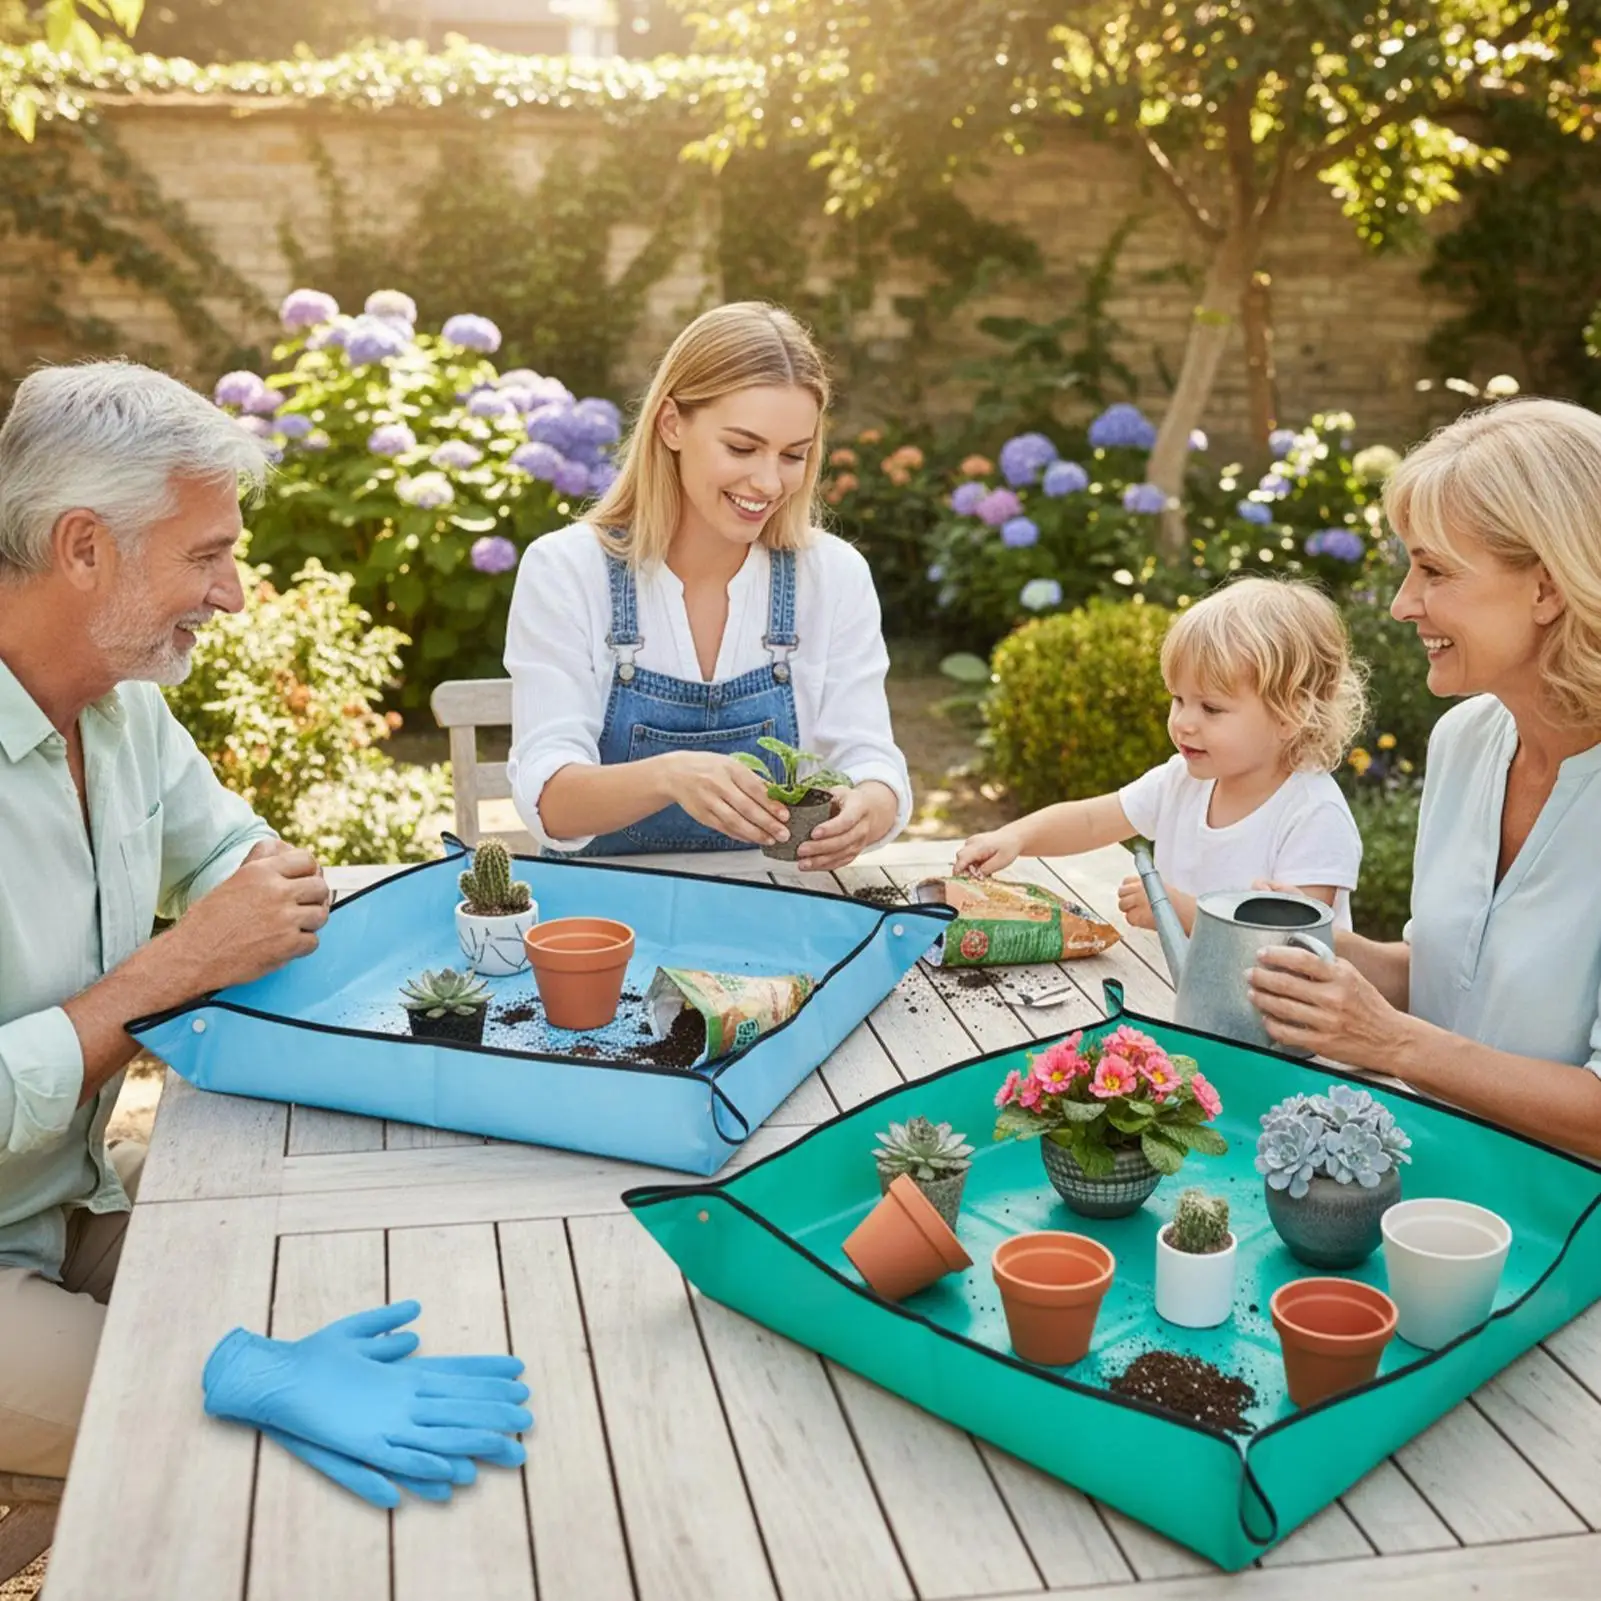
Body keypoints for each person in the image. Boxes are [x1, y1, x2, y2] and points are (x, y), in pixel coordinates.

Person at [0, 361, 332, 1476]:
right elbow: (199, 945)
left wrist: (266, 891)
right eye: (206, 555)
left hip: (71, 1194)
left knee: (327, 1259)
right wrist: (177, 967)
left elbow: (237, 859)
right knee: (242, 1424)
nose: (231, 595)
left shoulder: (121, 709)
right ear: (83, 546)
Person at [1250, 398, 1601, 1159]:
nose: (1402, 604)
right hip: (1429, 1182)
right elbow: (1452, 979)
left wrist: (1392, 1043)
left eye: (1434, 570)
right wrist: (1305, 945)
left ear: (1547, 588)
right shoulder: (1466, 740)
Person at [504, 302, 911, 870]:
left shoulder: (833, 575)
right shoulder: (566, 570)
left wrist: (869, 806)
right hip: (604, 908)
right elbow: (549, 801)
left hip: (774, 900)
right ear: (672, 424)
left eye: (793, 455)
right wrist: (669, 776)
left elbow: (872, 760)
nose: (768, 482)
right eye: (741, 448)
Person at [956, 577, 1366, 930]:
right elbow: (1092, 821)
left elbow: (1293, 939)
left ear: (1290, 715)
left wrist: (1177, 912)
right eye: (1178, 699)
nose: (1184, 722)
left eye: (1211, 708)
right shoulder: (1181, 780)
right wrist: (1015, 837)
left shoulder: (1312, 815)